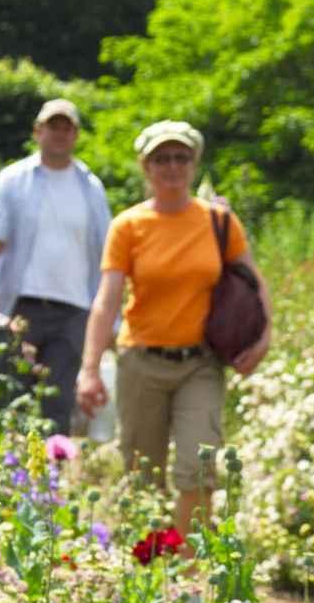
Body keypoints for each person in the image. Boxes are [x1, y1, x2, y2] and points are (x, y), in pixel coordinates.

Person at [77, 120, 270, 540]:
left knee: (198, 467)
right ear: (145, 167)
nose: (172, 166)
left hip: (200, 363)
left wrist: (264, 338)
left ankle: (187, 569)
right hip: (140, 362)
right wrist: (90, 368)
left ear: (193, 163)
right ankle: (147, 568)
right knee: (141, 469)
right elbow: (107, 300)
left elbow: (254, 282)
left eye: (181, 157)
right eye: (161, 159)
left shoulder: (219, 222)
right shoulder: (128, 226)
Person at [0, 97, 113, 435]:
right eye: (53, 126)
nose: (60, 134)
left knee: (57, 405)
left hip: (74, 312)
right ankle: (3, 476)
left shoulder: (91, 188)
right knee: (10, 400)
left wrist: (110, 323)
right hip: (19, 306)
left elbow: (109, 257)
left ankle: (50, 483)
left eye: (67, 128)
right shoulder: (13, 179)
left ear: (75, 135)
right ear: (38, 131)